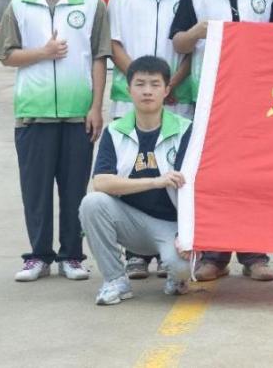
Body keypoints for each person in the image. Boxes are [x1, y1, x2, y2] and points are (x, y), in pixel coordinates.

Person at [170, 0, 273, 283]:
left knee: (255, 176)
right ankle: (215, 254)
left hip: (257, 100)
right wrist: (198, 32)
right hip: (210, 100)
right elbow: (178, 42)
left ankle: (255, 254)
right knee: (212, 177)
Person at [0, 0, 110, 282]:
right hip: (34, 114)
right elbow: (6, 55)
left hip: (78, 114)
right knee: (36, 191)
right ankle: (38, 256)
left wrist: (95, 107)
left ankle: (72, 256)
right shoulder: (20, 4)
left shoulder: (92, 3)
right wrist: (42, 53)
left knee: (75, 190)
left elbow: (99, 57)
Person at [108, 0, 193, 280]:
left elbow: (193, 48)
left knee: (175, 174)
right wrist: (141, 83)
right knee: (131, 169)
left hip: (176, 100)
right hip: (131, 100)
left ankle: (173, 245)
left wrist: (168, 86)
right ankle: (136, 254)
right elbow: (113, 42)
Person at [79, 56, 193, 305]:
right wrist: (155, 181)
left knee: (183, 268)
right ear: (129, 89)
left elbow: (197, 188)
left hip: (171, 225)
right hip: (130, 223)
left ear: (167, 90)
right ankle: (115, 280)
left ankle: (177, 278)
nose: (147, 91)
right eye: (140, 84)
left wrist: (191, 234)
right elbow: (101, 182)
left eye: (155, 84)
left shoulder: (186, 130)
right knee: (92, 203)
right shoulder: (115, 131)